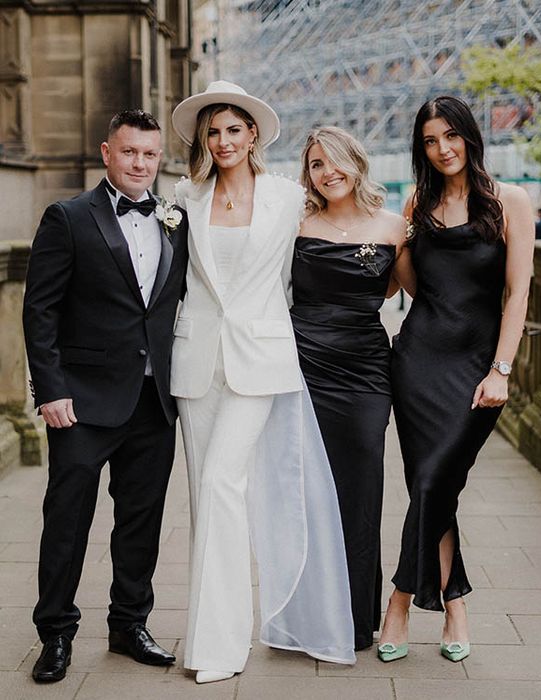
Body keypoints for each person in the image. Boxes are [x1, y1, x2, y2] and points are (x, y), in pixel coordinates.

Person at [169, 81, 355, 684]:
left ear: (253, 136)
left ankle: (226, 647)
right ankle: (204, 641)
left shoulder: (286, 198)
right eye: (212, 132)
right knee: (206, 498)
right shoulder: (185, 195)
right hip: (196, 363)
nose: (222, 141)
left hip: (261, 360)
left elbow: (317, 258)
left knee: (225, 482)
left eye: (233, 130)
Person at [22, 109, 189, 683]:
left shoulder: (176, 220)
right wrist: (50, 390)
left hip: (155, 401)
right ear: (106, 152)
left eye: (149, 154)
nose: (140, 163)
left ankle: (128, 624)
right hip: (82, 402)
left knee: (141, 521)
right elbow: (39, 310)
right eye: (129, 152)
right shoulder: (67, 218)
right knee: (67, 520)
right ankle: (57, 633)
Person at [378, 95, 534, 663]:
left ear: (469, 136)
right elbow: (415, 287)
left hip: (478, 369)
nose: (442, 149)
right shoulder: (417, 202)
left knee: (432, 485)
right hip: (418, 361)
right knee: (434, 487)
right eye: (429, 140)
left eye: (450, 136)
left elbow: (516, 293)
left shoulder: (510, 201)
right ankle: (454, 607)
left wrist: (501, 368)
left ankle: (398, 601)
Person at [291, 126, 410, 650]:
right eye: (317, 164)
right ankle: (308, 618)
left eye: (335, 161)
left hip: (364, 371)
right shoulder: (295, 222)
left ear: (357, 163)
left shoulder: (392, 226)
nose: (327, 171)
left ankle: (359, 620)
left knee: (362, 492)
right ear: (308, 173)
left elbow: (409, 291)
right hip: (301, 365)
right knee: (306, 493)